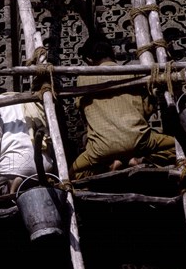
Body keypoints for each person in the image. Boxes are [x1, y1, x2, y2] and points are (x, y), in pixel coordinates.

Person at [70, 40, 176, 180]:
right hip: (139, 140)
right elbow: (147, 109)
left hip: (102, 149)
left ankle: (111, 165)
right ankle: (139, 160)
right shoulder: (133, 72)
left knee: (72, 174)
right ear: (113, 52)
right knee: (179, 147)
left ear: (89, 59)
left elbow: (83, 112)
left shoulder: (82, 79)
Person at [0, 86, 55, 195]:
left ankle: (11, 187)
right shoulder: (29, 102)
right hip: (44, 167)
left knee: (10, 205)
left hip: (12, 168)